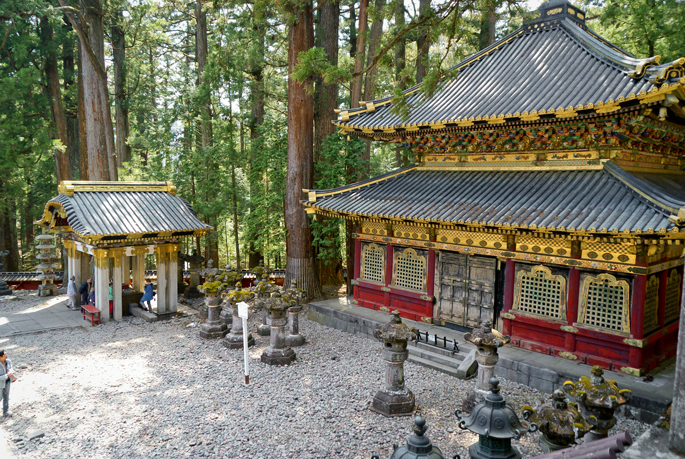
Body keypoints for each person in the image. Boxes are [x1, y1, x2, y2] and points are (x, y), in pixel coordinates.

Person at [0, 350, 15, 418]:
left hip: (7, 382)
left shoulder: (8, 361)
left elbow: (11, 368)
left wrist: (11, 372)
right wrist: (6, 375)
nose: (6, 355)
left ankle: (5, 412)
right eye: (4, 355)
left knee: (6, 397)